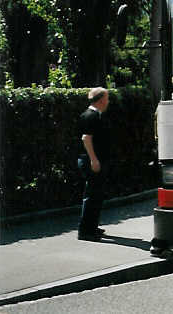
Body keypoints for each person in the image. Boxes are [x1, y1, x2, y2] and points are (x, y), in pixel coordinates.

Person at [77, 87, 111, 241]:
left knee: (97, 195)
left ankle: (92, 226)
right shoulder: (91, 116)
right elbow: (86, 138)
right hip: (92, 161)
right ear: (101, 100)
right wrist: (93, 159)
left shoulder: (95, 115)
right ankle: (85, 231)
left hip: (96, 160)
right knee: (91, 195)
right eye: (107, 98)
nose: (108, 101)